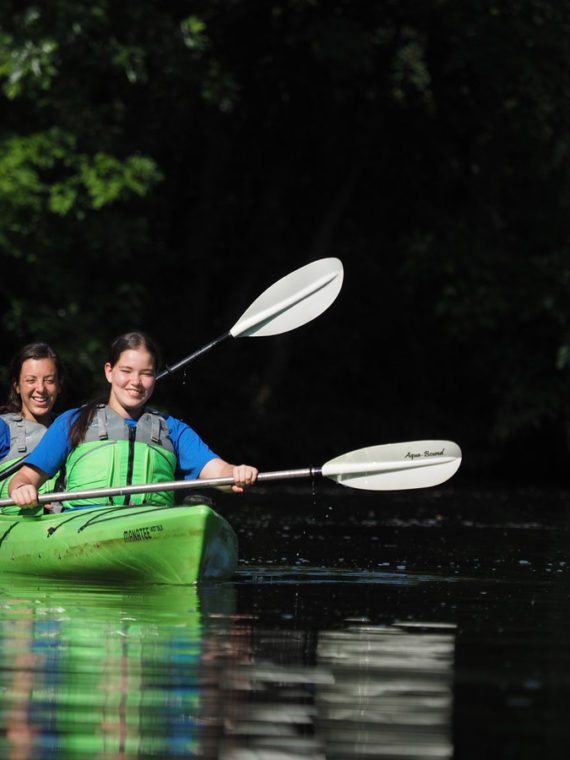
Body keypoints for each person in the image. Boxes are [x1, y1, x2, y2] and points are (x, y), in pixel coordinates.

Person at [8, 331, 258, 511]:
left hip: (152, 525)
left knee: (199, 505)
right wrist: (21, 490)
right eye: (126, 371)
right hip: (81, 526)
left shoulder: (173, 429)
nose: (135, 382)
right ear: (110, 371)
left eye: (146, 374)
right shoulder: (73, 422)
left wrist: (235, 473)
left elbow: (218, 472)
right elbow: (25, 478)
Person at [0, 342, 64, 501]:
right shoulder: (2, 429)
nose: (41, 389)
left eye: (49, 380)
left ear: (59, 385)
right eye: (31, 380)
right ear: (17, 386)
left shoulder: (73, 427)